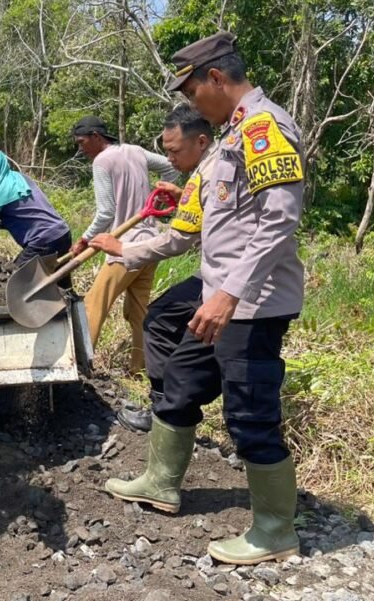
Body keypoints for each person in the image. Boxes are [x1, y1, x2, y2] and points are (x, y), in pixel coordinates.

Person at [98, 32, 306, 565]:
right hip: (218, 300)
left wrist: (230, 294)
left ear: (216, 78)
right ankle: (160, 482)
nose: (193, 104)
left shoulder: (264, 128)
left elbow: (279, 219)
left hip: (252, 306)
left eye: (193, 93)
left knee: (250, 415)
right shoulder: (232, 136)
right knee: (182, 382)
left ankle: (276, 531)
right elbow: (192, 230)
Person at [101, 104, 216, 433]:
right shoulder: (206, 170)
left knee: (168, 327)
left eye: (174, 151)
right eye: (166, 152)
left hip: (228, 279)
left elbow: (178, 240)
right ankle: (167, 406)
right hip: (218, 273)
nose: (169, 160)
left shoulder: (213, 172)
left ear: (201, 142)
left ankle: (169, 411)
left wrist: (122, 249)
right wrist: (182, 199)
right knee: (161, 318)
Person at [70, 116, 179, 373]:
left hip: (125, 248)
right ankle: (139, 369)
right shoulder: (135, 151)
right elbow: (172, 167)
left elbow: (106, 213)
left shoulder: (101, 162)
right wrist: (160, 195)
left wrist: (84, 239)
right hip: (150, 245)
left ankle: (80, 368)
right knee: (138, 311)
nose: (81, 148)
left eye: (82, 142)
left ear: (96, 136)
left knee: (94, 304)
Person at [0, 148, 71, 271]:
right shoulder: (20, 178)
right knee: (60, 280)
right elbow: (29, 212)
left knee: (15, 278)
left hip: (43, 241)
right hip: (63, 233)